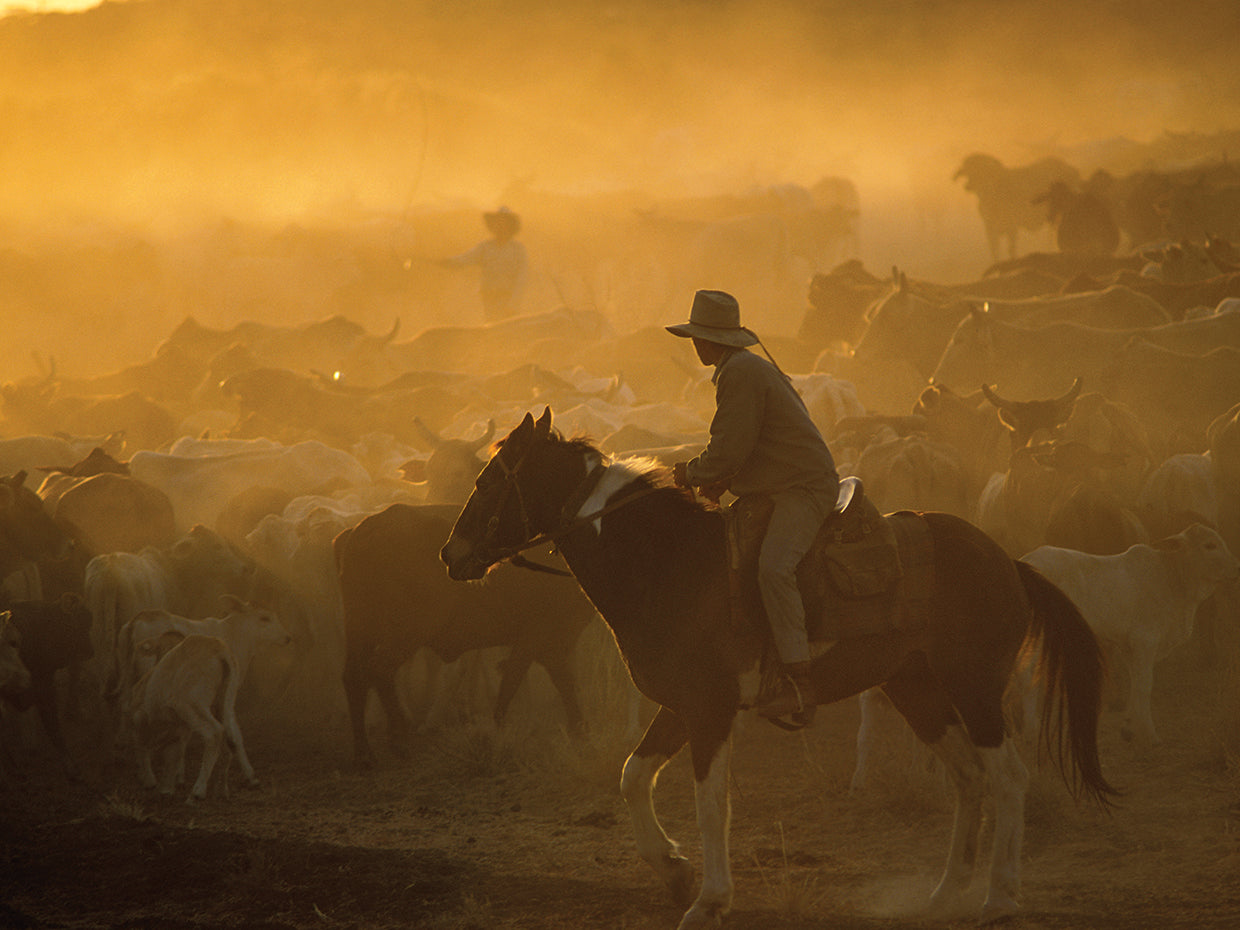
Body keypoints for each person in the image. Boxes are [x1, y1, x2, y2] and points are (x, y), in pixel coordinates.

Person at [667, 289, 840, 723]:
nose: (694, 344)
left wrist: (691, 474)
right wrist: (724, 479)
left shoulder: (739, 373)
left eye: (697, 336)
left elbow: (728, 449)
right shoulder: (743, 367)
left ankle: (800, 682)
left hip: (802, 487)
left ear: (708, 340)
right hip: (780, 481)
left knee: (774, 568)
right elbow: (750, 443)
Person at [439, 206, 529, 322]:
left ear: (510, 226)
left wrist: (513, 304)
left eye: (504, 223)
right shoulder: (485, 247)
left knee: (508, 329)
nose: (500, 226)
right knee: (491, 327)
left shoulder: (518, 249)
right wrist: (447, 262)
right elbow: (465, 258)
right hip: (489, 299)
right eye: (497, 223)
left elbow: (522, 279)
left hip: (508, 298)